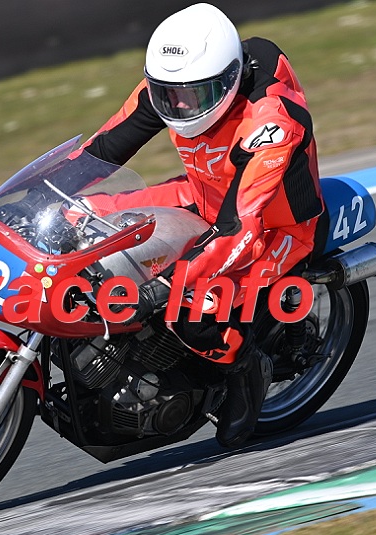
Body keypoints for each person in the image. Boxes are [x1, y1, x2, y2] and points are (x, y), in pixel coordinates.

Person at [77, 3, 325, 449]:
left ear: (229, 79)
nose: (179, 106)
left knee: (187, 310)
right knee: (83, 216)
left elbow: (239, 225)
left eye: (193, 96)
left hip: (273, 225)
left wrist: (169, 281)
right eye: (169, 95)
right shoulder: (175, 86)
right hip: (203, 194)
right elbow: (105, 147)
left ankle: (246, 367)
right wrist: (43, 192)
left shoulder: (271, 122)